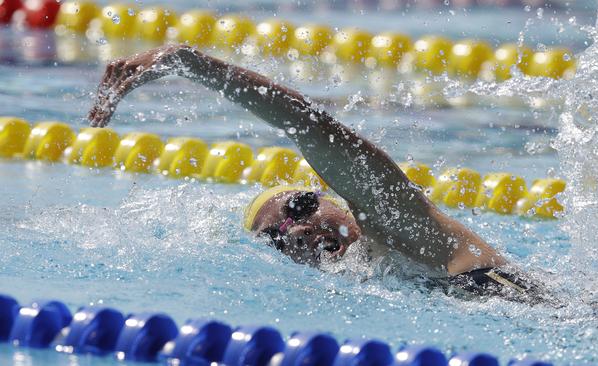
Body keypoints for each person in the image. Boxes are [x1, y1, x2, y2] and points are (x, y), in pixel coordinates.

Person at [88, 44, 545, 302]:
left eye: (298, 206)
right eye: (277, 238)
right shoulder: (373, 280)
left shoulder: (393, 224)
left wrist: (191, 64)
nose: (297, 229)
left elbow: (311, 127)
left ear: (331, 194)